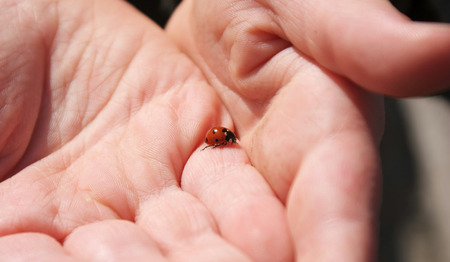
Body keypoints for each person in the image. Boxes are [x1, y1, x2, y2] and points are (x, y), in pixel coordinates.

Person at [0, 0, 448, 261]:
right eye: (222, 140)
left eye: (222, 140)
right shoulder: (220, 136)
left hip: (334, 139)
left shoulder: (221, 134)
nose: (221, 141)